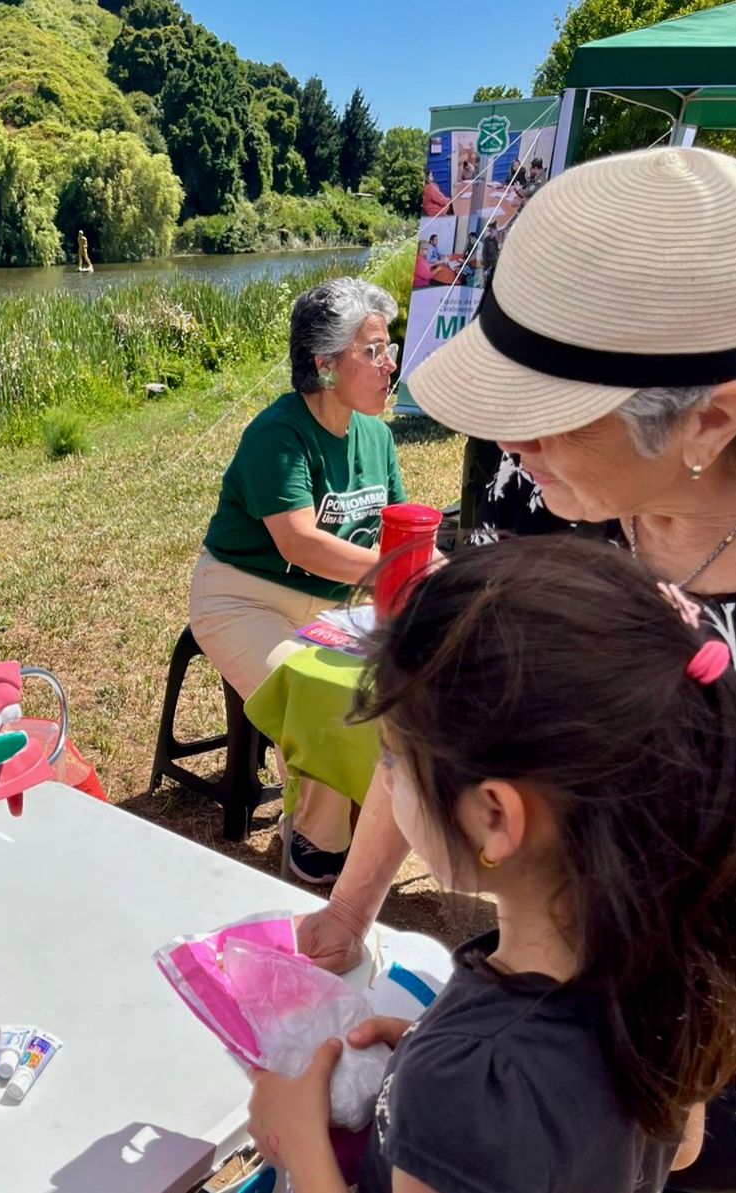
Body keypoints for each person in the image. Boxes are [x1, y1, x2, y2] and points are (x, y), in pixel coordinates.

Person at [295, 145, 736, 1190]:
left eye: (541, 412)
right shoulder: (535, 490)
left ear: (706, 420)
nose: (501, 441)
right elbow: (447, 710)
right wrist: (354, 909)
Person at [248, 535, 736, 1193]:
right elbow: (679, 1149)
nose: (383, 780)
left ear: (497, 817)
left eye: (391, 758)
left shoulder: (471, 1078)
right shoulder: (669, 962)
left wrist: (298, 1139)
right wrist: (435, 1062)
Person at [189, 278, 405, 884]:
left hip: (339, 605)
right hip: (243, 597)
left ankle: (376, 816)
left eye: (388, 348)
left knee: (407, 682)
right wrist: (394, 569)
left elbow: (395, 535)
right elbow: (298, 542)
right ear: (325, 364)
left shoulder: (378, 436)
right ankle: (316, 846)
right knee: (319, 695)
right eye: (373, 351)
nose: (390, 363)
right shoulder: (277, 433)